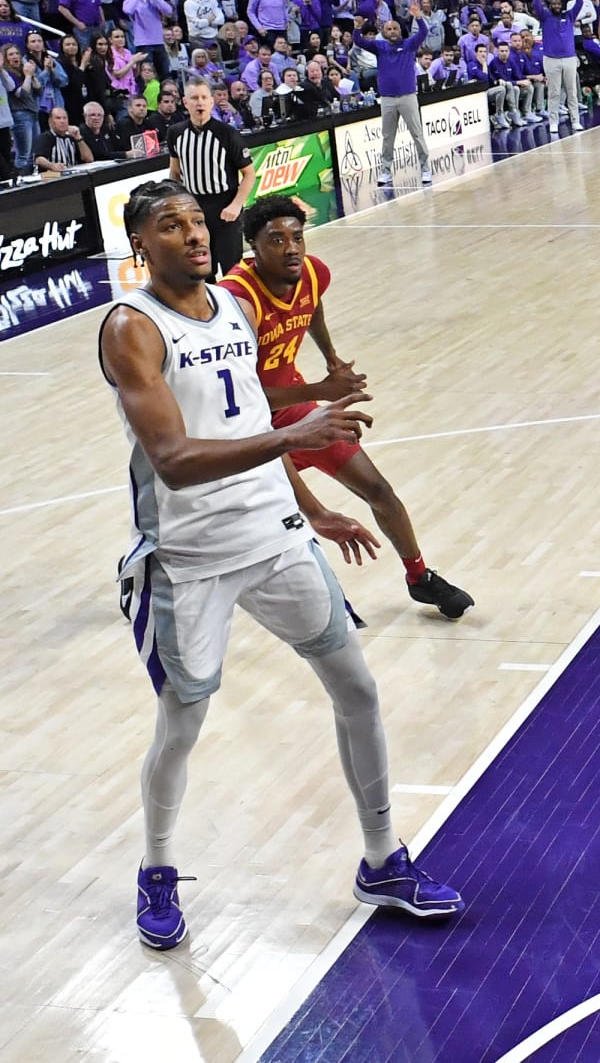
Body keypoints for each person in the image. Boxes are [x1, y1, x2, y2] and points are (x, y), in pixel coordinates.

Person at [99, 180, 462, 952]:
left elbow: (249, 413)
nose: (194, 235)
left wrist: (310, 504)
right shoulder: (131, 328)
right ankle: (157, 868)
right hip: (190, 558)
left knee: (357, 687)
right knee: (183, 722)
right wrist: (294, 442)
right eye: (171, 226)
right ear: (141, 247)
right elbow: (172, 459)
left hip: (274, 534)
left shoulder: (231, 308)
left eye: (197, 221)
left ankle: (381, 859)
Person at [220, 195, 475, 619]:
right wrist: (324, 387)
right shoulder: (238, 302)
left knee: (379, 490)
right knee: (274, 521)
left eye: (297, 238)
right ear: (253, 248)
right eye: (277, 240)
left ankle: (420, 578)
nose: (291, 248)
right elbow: (247, 396)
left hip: (296, 409)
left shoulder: (312, 272)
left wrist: (331, 357)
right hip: (250, 428)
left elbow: (312, 303)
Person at [166, 79, 254, 279]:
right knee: (201, 269)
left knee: (232, 270)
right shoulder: (175, 133)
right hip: (194, 210)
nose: (200, 103)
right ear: (185, 102)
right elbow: (174, 173)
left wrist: (236, 205)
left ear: (212, 102)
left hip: (225, 207)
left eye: (204, 97)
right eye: (194, 98)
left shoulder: (227, 133)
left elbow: (249, 173)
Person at [350, 6, 431, 187]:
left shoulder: (409, 44)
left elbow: (424, 32)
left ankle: (426, 168)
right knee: (388, 137)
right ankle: (385, 172)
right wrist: (357, 27)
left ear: (400, 30)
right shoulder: (379, 47)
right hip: (387, 99)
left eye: (395, 28)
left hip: (408, 97)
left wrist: (418, 17)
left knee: (417, 134)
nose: (392, 31)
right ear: (383, 32)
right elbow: (359, 41)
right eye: (389, 29)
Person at [31, 105, 93, 172]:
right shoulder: (46, 137)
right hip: (49, 175)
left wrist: (79, 138)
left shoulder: (72, 137)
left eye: (64, 118)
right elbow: (39, 159)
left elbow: (89, 159)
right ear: (50, 122)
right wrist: (52, 166)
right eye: (58, 118)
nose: (62, 121)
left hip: (70, 174)